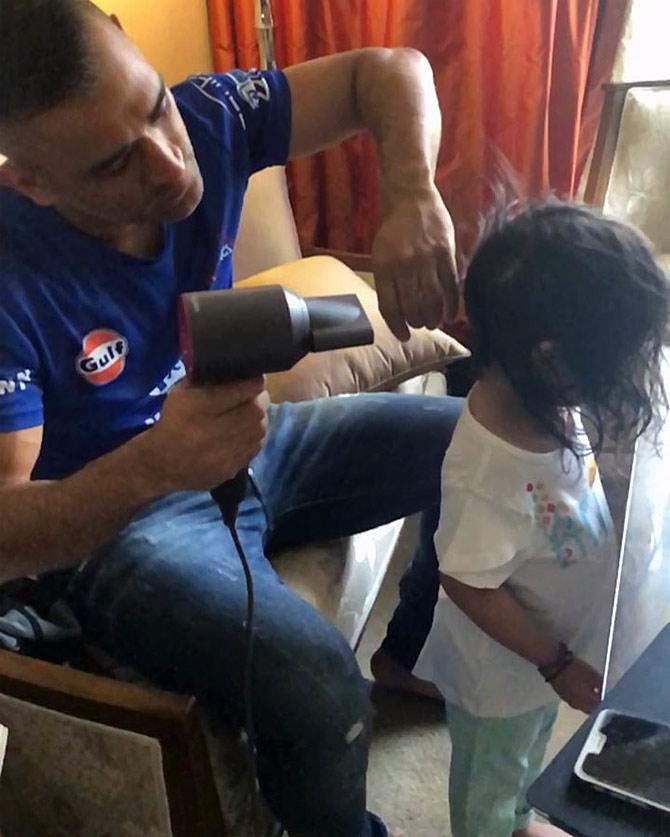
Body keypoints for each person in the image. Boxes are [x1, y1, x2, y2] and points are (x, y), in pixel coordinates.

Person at [0, 1, 462, 834]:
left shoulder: (211, 113)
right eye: (113, 166)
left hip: (257, 438)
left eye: (154, 106)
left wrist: (412, 191)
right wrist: (155, 465)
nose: (171, 165)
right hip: (125, 518)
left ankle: (411, 651)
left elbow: (387, 71)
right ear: (27, 179)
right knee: (319, 688)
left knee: (476, 447)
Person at [410, 200, 670, 837]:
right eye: (616, 364)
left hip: (540, 662)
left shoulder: (542, 397)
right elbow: (466, 582)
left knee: (528, 756)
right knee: (491, 776)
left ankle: (518, 819)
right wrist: (555, 662)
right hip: (502, 677)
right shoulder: (489, 477)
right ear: (551, 360)